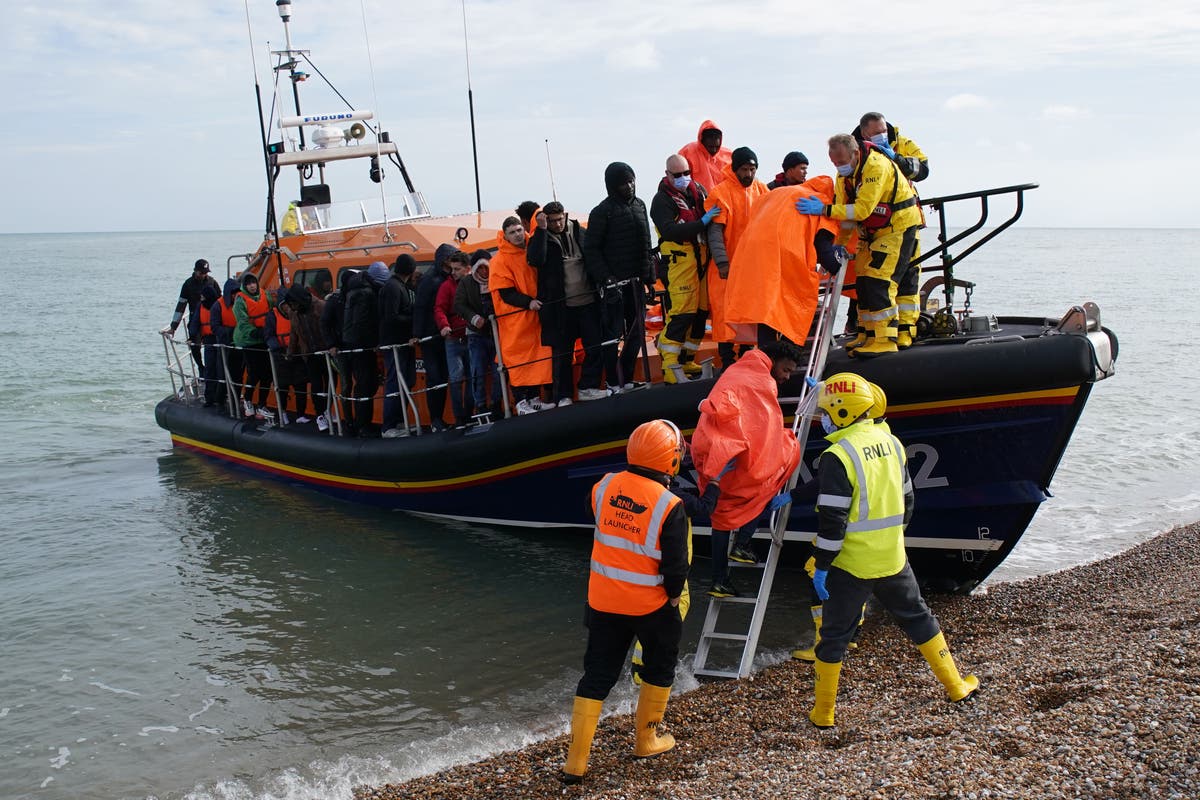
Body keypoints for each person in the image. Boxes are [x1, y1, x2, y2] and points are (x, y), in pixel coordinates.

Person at [801, 372, 978, 727]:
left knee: (834, 635)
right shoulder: (892, 443)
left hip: (851, 564)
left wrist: (822, 565)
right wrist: (890, 539)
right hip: (893, 557)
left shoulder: (838, 455)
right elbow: (908, 501)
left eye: (827, 412)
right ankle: (956, 685)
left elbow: (833, 521)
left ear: (843, 413)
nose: (823, 419)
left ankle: (823, 713)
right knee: (919, 617)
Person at [561, 420, 720, 784]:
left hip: (603, 602)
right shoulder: (670, 504)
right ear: (672, 461)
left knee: (597, 676)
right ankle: (647, 740)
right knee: (659, 669)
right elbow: (675, 565)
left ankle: (576, 762)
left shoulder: (604, 486)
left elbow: (593, 514)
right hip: (652, 607)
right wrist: (674, 596)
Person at [690, 341, 803, 597]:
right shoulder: (763, 382)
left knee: (720, 515)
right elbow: (764, 431)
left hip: (712, 452)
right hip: (733, 453)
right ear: (774, 360)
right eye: (786, 370)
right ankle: (742, 542)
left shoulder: (735, 370)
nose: (787, 377)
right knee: (770, 476)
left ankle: (719, 581)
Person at [796, 134, 922, 357]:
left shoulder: (876, 166)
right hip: (872, 232)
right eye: (835, 162)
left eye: (841, 161)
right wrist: (839, 245)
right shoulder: (844, 177)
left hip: (897, 227)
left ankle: (885, 339)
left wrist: (824, 209)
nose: (839, 166)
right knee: (861, 280)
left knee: (878, 280)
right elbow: (846, 215)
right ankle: (868, 334)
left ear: (855, 153)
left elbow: (862, 210)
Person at [723, 175, 844, 348]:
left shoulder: (778, 193)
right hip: (787, 257)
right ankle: (788, 355)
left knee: (766, 309)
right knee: (794, 307)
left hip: (751, 255)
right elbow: (823, 249)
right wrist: (838, 267)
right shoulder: (822, 204)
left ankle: (766, 355)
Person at [851, 112, 929, 349]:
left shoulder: (902, 144)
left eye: (884, 130)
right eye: (876, 132)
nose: (882, 135)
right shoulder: (856, 151)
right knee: (869, 279)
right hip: (873, 226)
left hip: (904, 219)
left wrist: (897, 158)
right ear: (864, 133)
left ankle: (904, 331)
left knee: (907, 277)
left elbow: (923, 170)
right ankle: (871, 333)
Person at [527, 201, 609, 404]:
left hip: (588, 302)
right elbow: (535, 260)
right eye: (552, 221)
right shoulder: (541, 238)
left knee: (595, 347)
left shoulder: (580, 232)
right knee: (562, 355)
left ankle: (588, 387)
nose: (557, 224)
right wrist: (541, 230)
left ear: (565, 215)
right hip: (560, 308)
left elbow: (596, 255)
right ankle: (563, 396)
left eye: (559, 219)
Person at [649, 154, 721, 383]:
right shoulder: (661, 201)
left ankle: (687, 358)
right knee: (682, 313)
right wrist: (702, 222)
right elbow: (670, 230)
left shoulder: (697, 191)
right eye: (678, 175)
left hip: (701, 259)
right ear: (667, 175)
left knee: (701, 312)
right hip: (679, 262)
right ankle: (670, 364)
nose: (683, 178)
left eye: (686, 173)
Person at [584, 162, 654, 389]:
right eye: (624, 183)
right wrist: (606, 278)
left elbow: (646, 244)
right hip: (614, 286)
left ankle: (627, 376)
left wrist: (650, 278)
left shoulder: (640, 205)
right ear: (613, 186)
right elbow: (591, 249)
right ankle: (613, 382)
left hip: (637, 283)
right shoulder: (601, 212)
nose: (629, 186)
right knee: (612, 336)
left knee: (637, 332)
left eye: (631, 181)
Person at [705, 146, 769, 369]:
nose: (748, 174)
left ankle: (746, 357)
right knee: (725, 315)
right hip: (727, 268)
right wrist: (723, 262)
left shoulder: (761, 189)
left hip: (752, 267)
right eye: (744, 169)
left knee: (750, 313)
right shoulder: (720, 193)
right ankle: (726, 361)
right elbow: (715, 232)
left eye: (752, 169)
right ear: (735, 169)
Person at [490, 217, 555, 415]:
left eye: (519, 230)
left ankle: (534, 399)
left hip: (535, 318)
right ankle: (520, 402)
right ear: (505, 235)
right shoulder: (499, 261)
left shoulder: (532, 249)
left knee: (538, 358)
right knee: (517, 362)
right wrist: (528, 302)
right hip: (515, 320)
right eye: (512, 232)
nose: (517, 235)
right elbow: (505, 293)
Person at [414, 244, 460, 431]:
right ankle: (435, 420)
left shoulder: (445, 278)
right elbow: (420, 308)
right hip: (431, 337)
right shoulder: (431, 281)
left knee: (443, 377)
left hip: (443, 334)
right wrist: (417, 335)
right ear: (445, 260)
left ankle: (441, 418)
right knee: (435, 378)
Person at [341, 261, 389, 436]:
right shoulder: (365, 293)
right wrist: (374, 342)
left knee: (367, 384)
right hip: (361, 346)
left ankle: (363, 423)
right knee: (364, 384)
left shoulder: (357, 290)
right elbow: (363, 322)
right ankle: (362, 425)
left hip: (356, 343)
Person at [455, 249, 503, 417]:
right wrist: (474, 318)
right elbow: (459, 304)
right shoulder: (466, 283)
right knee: (478, 372)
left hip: (497, 333)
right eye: (480, 268)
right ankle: (480, 406)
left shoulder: (497, 278)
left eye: (486, 267)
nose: (484, 271)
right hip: (476, 334)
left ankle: (497, 403)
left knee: (499, 371)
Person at [379, 254, 418, 437]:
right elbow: (391, 317)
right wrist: (413, 317)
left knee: (407, 381)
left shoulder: (398, 286)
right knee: (395, 382)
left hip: (403, 343)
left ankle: (399, 421)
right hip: (395, 343)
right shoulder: (393, 287)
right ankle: (388, 426)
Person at [435, 254, 474, 427]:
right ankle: (459, 418)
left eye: (457, 269)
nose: (453, 272)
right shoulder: (447, 286)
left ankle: (470, 414)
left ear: (467, 268)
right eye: (452, 269)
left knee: (474, 377)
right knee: (456, 378)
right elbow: (439, 308)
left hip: (472, 337)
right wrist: (444, 325)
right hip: (453, 338)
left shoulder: (474, 284)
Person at [287, 284, 332, 432]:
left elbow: (330, 327)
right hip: (310, 354)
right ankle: (320, 414)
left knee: (330, 383)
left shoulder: (320, 306)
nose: (292, 307)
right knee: (316, 384)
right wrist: (290, 352)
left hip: (326, 352)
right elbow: (294, 333)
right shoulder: (294, 313)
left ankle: (328, 409)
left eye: (293, 304)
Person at [233, 271, 275, 420]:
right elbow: (242, 322)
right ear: (244, 286)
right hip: (249, 340)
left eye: (253, 282)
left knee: (267, 374)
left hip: (264, 338)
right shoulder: (240, 301)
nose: (252, 286)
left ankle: (262, 405)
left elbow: (272, 310)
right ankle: (248, 400)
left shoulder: (265, 295)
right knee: (254, 373)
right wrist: (256, 332)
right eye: (248, 283)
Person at [265, 287, 309, 426]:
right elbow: (269, 335)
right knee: (282, 387)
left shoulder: (297, 313)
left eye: (289, 304)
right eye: (284, 304)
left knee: (301, 386)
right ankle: (282, 412)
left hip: (297, 354)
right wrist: (277, 348)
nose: (287, 307)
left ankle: (301, 414)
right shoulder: (272, 316)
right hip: (281, 355)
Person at [167, 258, 220, 369]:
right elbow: (181, 306)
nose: (204, 275)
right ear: (195, 271)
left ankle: (212, 369)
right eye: (201, 272)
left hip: (210, 320)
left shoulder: (212, 282)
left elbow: (221, 301)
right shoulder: (188, 284)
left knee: (212, 346)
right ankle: (201, 367)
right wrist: (173, 327)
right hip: (195, 321)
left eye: (206, 272)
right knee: (194, 346)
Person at [210, 277, 241, 412]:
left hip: (239, 344)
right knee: (223, 375)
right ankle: (220, 401)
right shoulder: (217, 306)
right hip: (225, 345)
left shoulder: (241, 304)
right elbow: (215, 327)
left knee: (238, 375)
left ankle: (236, 400)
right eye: (233, 293)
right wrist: (231, 332)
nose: (235, 296)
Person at [677, 120, 732, 193]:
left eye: (717, 147)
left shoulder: (729, 156)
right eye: (711, 147)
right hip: (696, 198)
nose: (714, 150)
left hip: (724, 198)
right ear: (702, 141)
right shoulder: (687, 152)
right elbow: (679, 179)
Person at [189, 284, 221, 406]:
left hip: (219, 338)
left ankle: (220, 395)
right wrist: (193, 337)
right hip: (209, 339)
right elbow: (195, 323)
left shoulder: (218, 305)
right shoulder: (201, 306)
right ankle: (210, 397)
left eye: (203, 297)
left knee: (219, 367)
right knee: (210, 368)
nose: (202, 299)